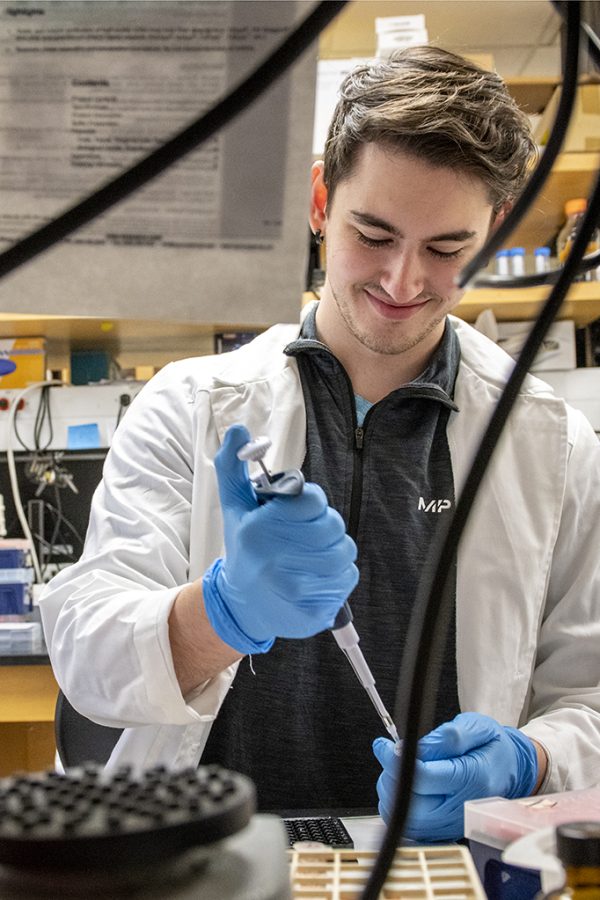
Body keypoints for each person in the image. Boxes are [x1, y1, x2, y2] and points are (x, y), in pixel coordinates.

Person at [40, 46, 600, 841]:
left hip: (437, 871)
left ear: (493, 230)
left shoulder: (553, 444)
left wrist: (529, 759)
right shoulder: (189, 405)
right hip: (213, 865)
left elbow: (591, 698)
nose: (404, 282)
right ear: (318, 201)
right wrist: (223, 612)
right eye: (373, 233)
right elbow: (87, 652)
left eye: (446, 249)